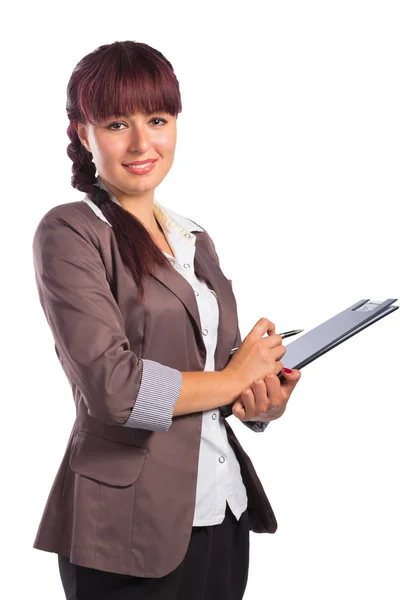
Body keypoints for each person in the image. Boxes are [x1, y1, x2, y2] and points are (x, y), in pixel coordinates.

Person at [31, 40, 302, 600]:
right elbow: (114, 389)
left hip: (220, 506)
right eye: (115, 123)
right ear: (84, 134)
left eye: (157, 119)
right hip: (125, 526)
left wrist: (258, 398)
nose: (141, 143)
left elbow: (209, 371)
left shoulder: (192, 236)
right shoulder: (70, 232)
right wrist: (230, 379)